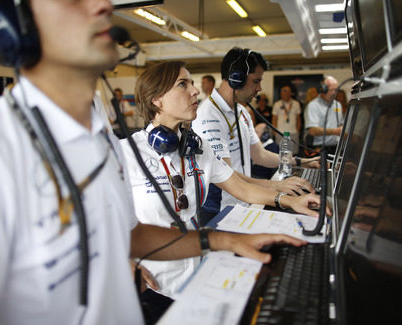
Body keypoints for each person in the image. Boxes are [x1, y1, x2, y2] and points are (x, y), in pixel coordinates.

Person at [0, 0, 311, 325]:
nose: (103, 4)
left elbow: (130, 235)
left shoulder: (101, 138)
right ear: (12, 25)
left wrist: (226, 241)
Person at [120, 61, 326, 318]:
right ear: (156, 100)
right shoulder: (125, 153)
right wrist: (120, 261)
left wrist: (287, 200)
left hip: (197, 274)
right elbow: (96, 223)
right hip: (151, 286)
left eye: (193, 83)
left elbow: (241, 188)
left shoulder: (198, 148)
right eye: (183, 85)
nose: (195, 91)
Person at [192, 47, 320, 218]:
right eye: (256, 81)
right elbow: (224, 172)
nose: (259, 88)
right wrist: (274, 186)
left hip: (243, 201)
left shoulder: (241, 111)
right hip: (219, 210)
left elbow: (259, 155)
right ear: (236, 79)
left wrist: (303, 162)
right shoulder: (208, 115)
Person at [304, 76, 344, 155]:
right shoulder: (313, 105)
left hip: (336, 148)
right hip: (319, 149)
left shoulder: (337, 105)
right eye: (331, 90)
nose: (334, 93)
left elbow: (341, 125)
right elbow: (312, 130)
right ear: (323, 89)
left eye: (336, 90)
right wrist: (335, 131)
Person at [271, 85, 302, 154]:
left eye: (286, 91)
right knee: (280, 154)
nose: (284, 93)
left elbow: (299, 120)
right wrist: (275, 133)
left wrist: (297, 131)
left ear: (290, 93)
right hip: (280, 133)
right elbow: (274, 120)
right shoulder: (277, 104)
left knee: (293, 154)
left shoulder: (296, 104)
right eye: (282, 91)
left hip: (293, 133)